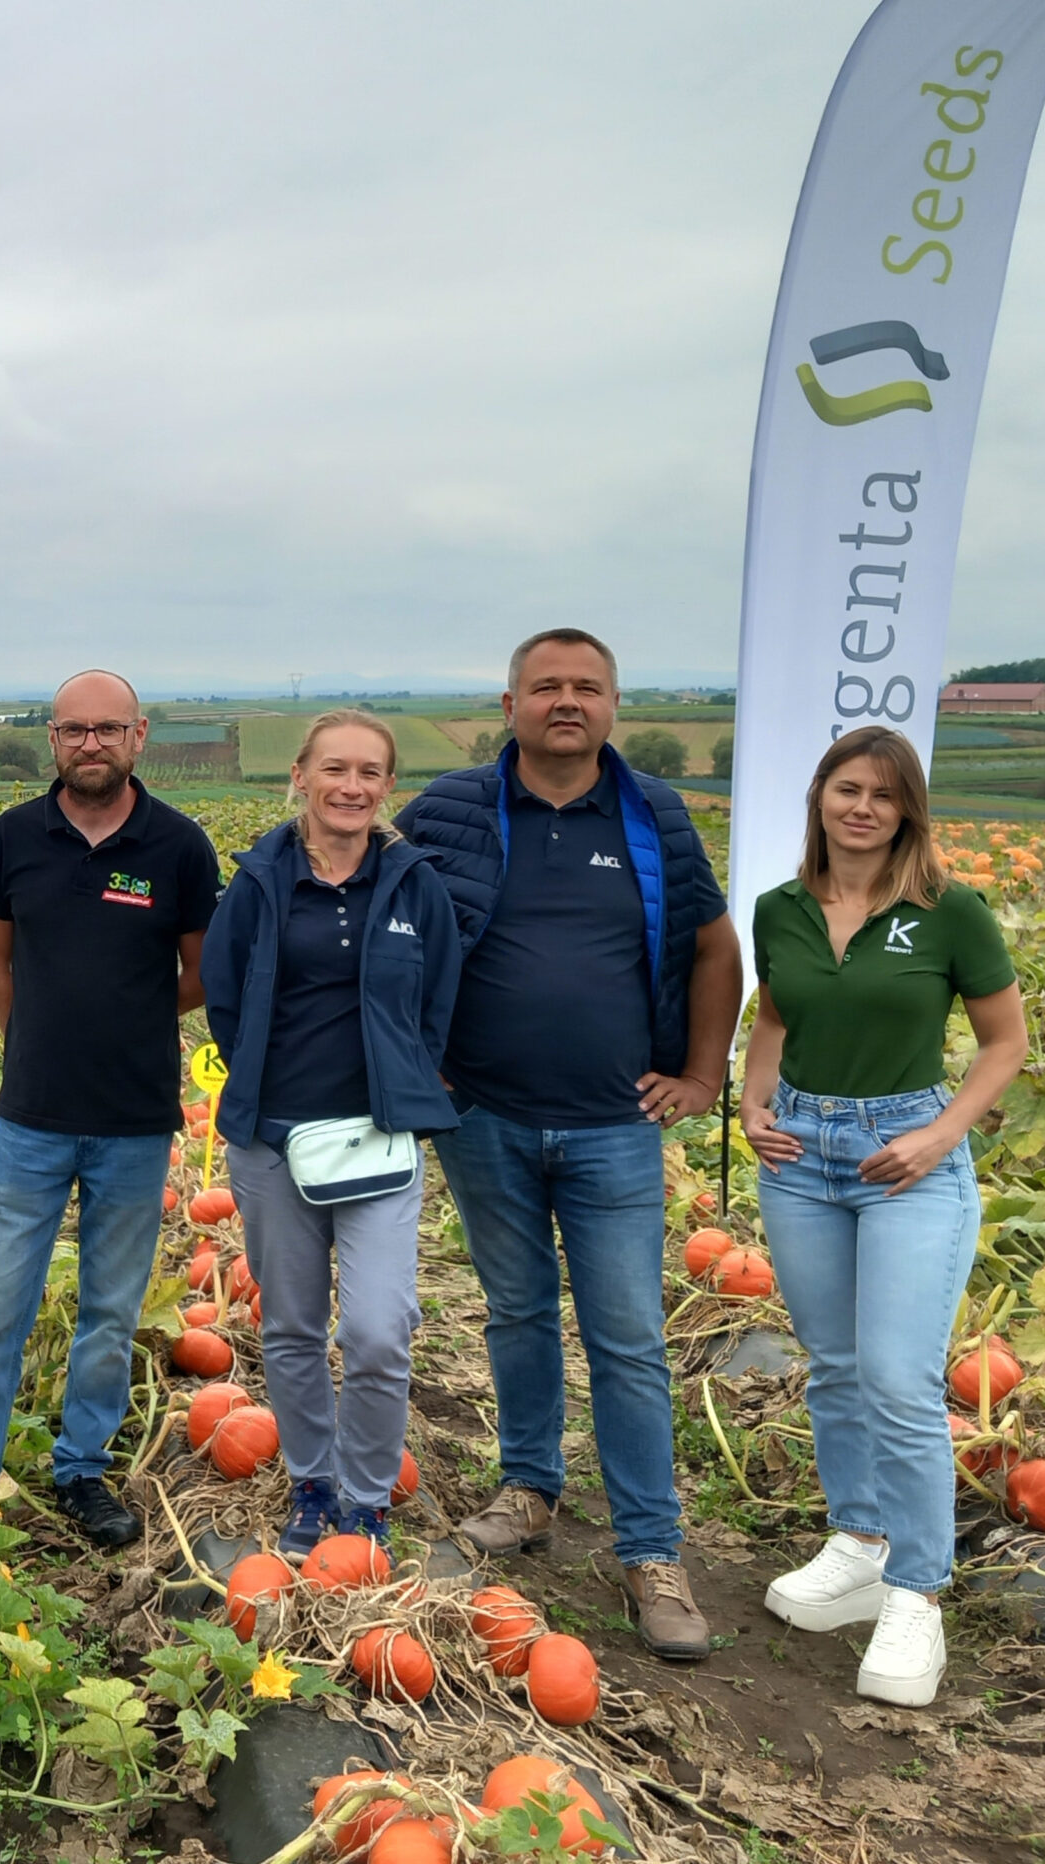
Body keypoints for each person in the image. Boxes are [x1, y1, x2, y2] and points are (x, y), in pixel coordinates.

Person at [396, 628, 739, 1662]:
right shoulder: (448, 812)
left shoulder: (652, 817)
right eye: (544, 686)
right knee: (515, 1309)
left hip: (614, 1125)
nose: (564, 701)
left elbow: (713, 945)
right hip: (485, 1116)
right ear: (508, 704)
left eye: (584, 687)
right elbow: (386, 928)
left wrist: (703, 1073)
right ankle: (530, 1491)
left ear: (610, 707)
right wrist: (416, 1062)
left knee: (628, 1338)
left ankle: (650, 1551)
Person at [742, 727, 1026, 1707]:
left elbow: (1003, 1042)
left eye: (881, 794)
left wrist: (940, 1136)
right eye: (844, 789)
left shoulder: (948, 915)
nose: (859, 807)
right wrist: (750, 1103)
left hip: (907, 1156)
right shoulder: (779, 910)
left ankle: (915, 1592)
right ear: (820, 797)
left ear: (906, 809)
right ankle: (859, 1544)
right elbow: (773, 1018)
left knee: (900, 1380)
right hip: (802, 1159)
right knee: (833, 1366)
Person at [0, 671, 220, 1547]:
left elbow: (201, 973)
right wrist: (35, 1034)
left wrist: (129, 1020)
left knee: (110, 1308)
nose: (91, 744)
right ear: (53, 738)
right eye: (74, 730)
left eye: (108, 729)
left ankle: (82, 1470)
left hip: (137, 1122)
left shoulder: (178, 846)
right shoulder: (15, 836)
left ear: (139, 735)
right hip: (31, 1115)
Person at [207, 712, 461, 1556]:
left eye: (370, 773)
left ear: (388, 787)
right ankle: (314, 1483)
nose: (352, 787)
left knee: (380, 1331)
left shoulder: (413, 883)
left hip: (378, 1142)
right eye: (336, 770)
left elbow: (439, 1004)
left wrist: (404, 1083)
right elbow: (226, 994)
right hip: (274, 1141)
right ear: (302, 777)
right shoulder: (260, 878)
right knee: (291, 1326)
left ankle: (366, 1492)